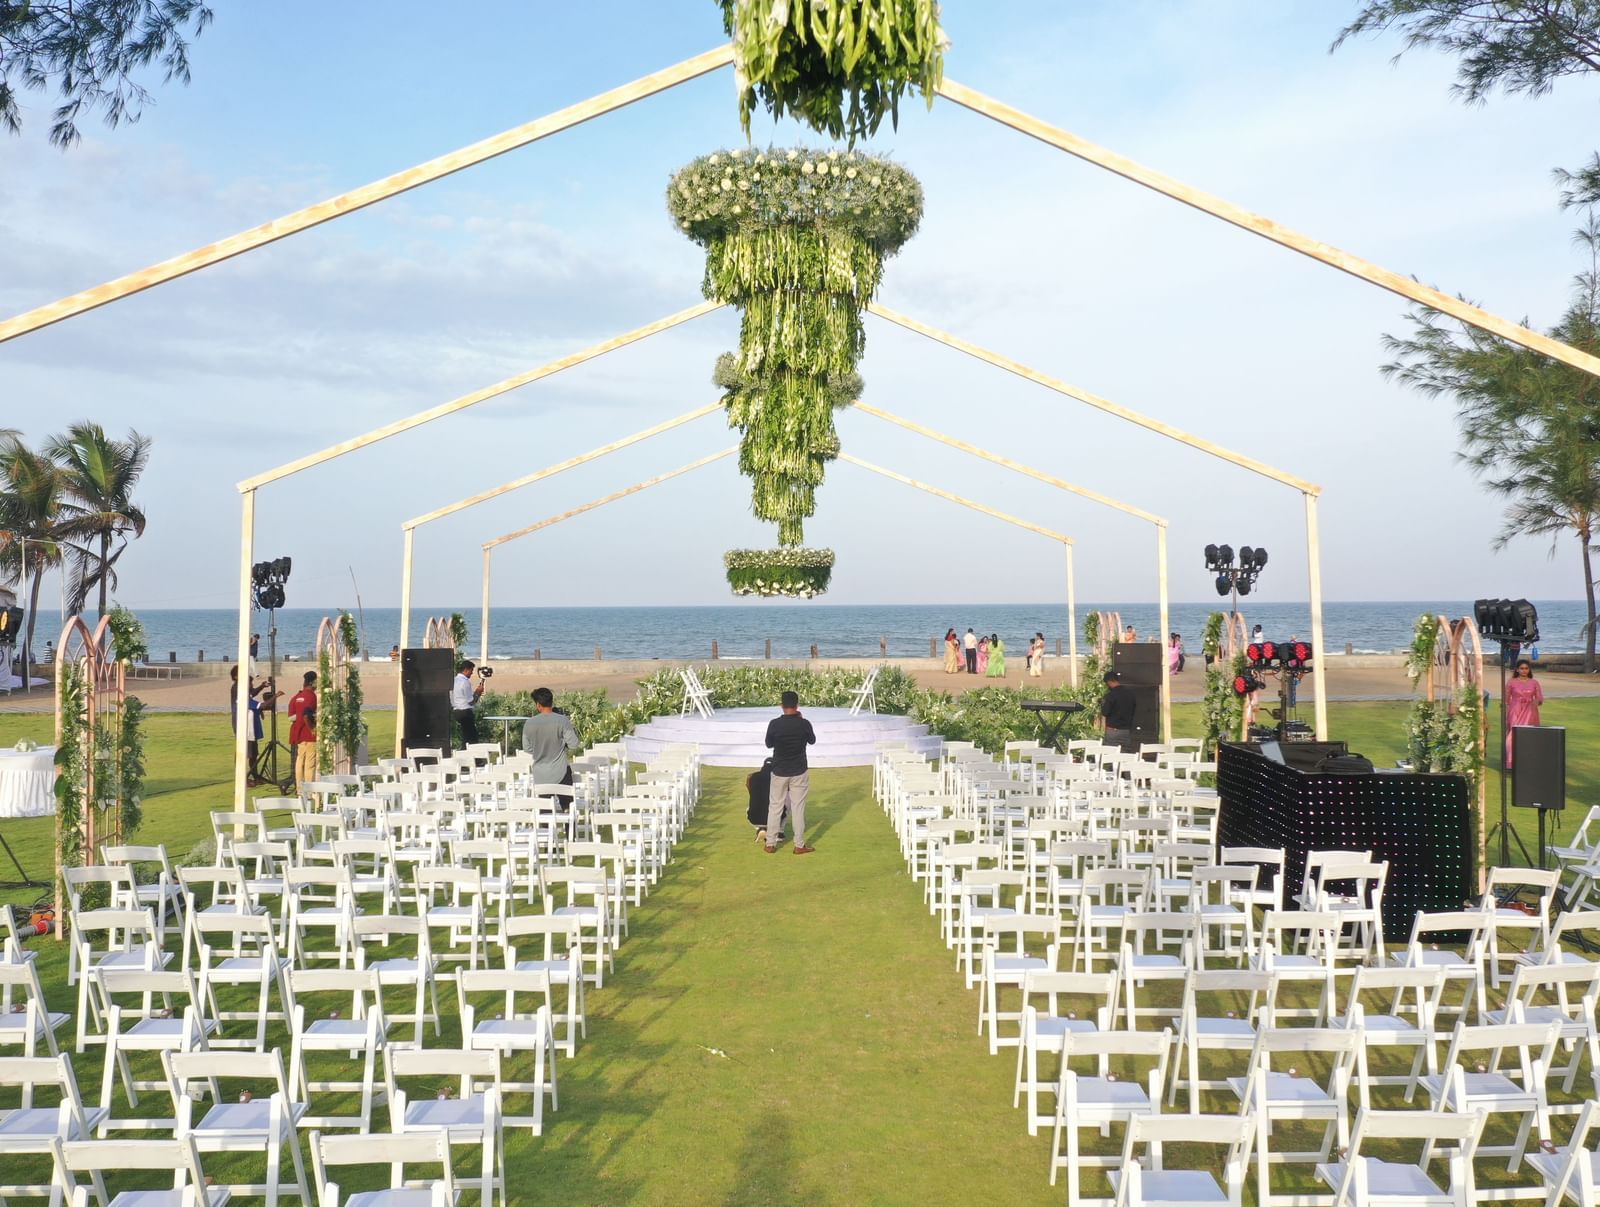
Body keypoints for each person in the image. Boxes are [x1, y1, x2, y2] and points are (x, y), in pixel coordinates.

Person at [764, 690, 816, 855]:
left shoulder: (774, 724)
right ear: (797, 705)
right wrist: (800, 721)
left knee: (775, 806)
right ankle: (799, 845)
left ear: (781, 706)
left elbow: (768, 744)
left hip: (779, 770)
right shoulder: (804, 723)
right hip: (799, 770)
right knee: (798, 807)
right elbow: (812, 741)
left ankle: (770, 843)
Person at [522, 686, 580, 785]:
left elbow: (527, 748)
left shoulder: (529, 723)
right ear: (551, 702)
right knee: (567, 801)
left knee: (544, 801)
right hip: (562, 772)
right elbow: (574, 744)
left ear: (538, 705)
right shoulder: (563, 720)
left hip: (540, 775)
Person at [228, 665, 267, 785]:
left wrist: (261, 687)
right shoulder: (237, 688)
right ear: (236, 676)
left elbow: (251, 694)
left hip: (249, 723)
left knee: (253, 752)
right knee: (244, 751)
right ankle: (242, 778)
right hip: (242, 724)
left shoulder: (243, 686)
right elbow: (248, 698)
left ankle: (255, 775)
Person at [1504, 658, 1543, 767]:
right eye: (1521, 668)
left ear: (1529, 670)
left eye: (1526, 668)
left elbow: (1540, 698)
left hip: (1530, 711)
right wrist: (1505, 710)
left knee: (1528, 735)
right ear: (1517, 670)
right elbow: (1506, 699)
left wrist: (1536, 701)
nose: (1524, 671)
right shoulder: (1511, 682)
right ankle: (1511, 762)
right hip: (1515, 710)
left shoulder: (1534, 682)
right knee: (1513, 735)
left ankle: (1527, 761)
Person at [287, 671, 318, 788]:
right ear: (312, 682)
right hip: (308, 734)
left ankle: (299, 789)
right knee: (310, 763)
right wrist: (312, 729)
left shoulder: (296, 697)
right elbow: (306, 715)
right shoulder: (311, 696)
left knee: (300, 761)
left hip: (298, 734)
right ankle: (309, 789)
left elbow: (291, 716)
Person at [747, 756, 784, 846]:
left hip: (753, 818)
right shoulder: (778, 778)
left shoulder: (752, 777)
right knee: (785, 803)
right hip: (773, 814)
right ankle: (779, 832)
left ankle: (760, 829)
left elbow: (749, 789)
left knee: (751, 805)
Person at [1099, 669, 1138, 753]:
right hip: (1126, 731)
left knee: (1110, 756)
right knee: (1125, 757)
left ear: (1109, 682)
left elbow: (1105, 712)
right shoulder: (1130, 694)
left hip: (1113, 731)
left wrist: (1102, 703)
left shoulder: (1110, 695)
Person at [452, 660, 485, 746]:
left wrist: (476, 692)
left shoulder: (454, 680)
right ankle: (470, 756)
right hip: (465, 712)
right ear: (466, 670)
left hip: (456, 711)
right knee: (471, 738)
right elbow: (471, 702)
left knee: (466, 735)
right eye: (471, 671)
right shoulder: (465, 682)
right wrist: (478, 693)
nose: (471, 673)